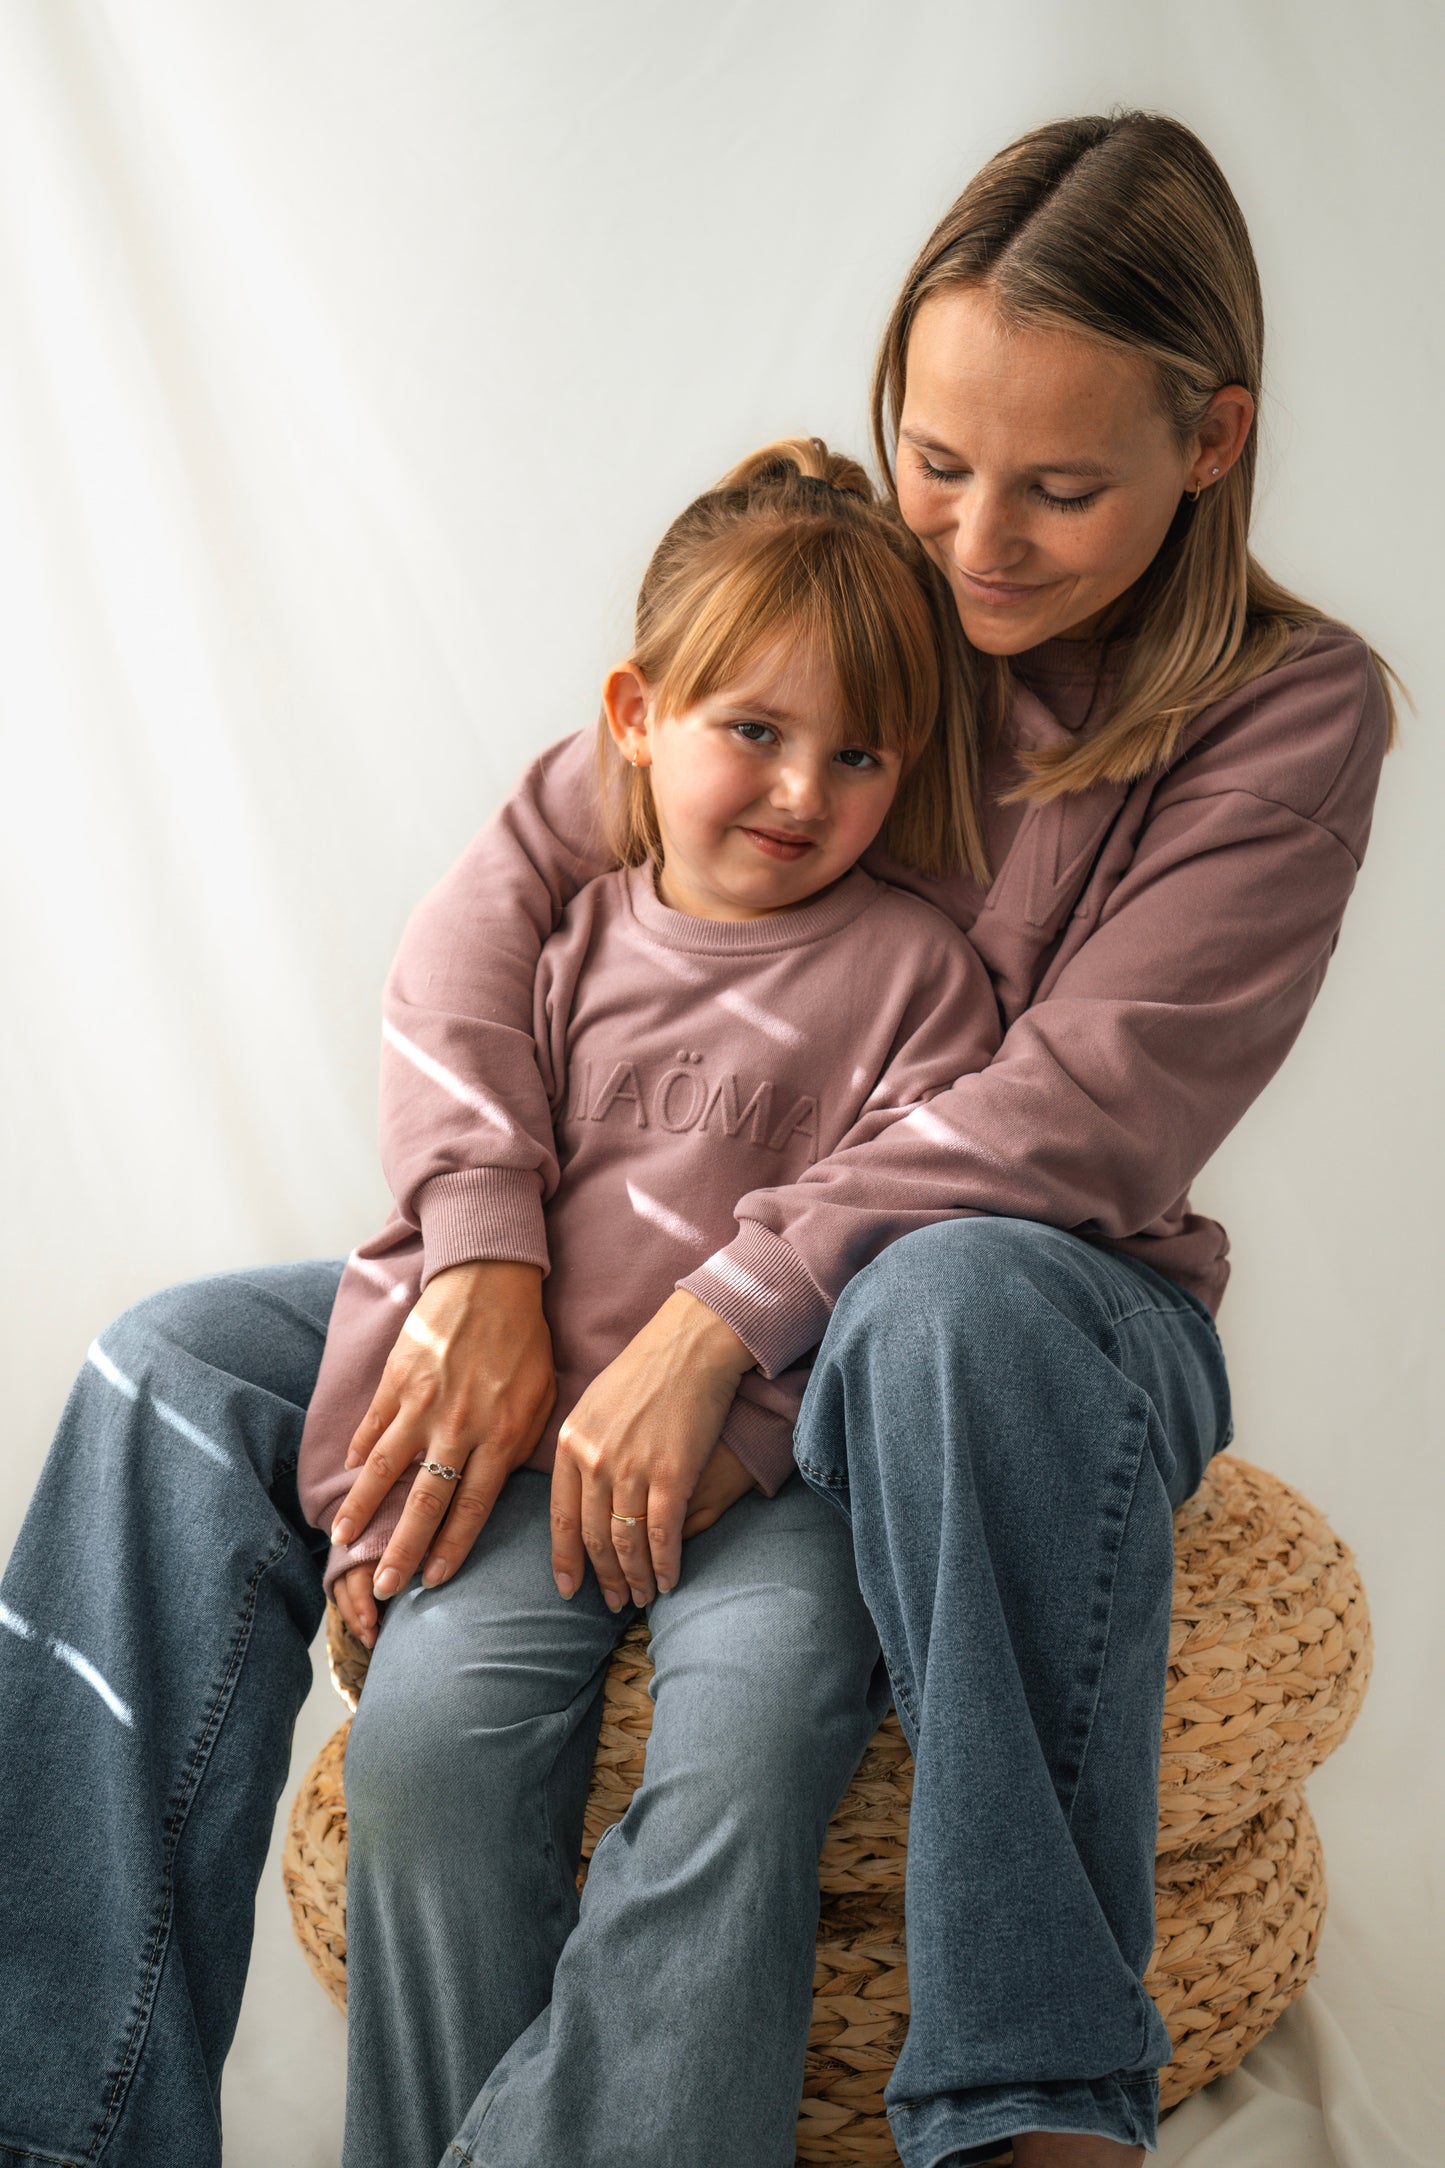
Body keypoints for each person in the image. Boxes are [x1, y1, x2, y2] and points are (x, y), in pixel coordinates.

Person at [0, 110, 1393, 2168]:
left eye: (1060, 487)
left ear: (1211, 444)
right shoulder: (852, 616)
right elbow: (504, 892)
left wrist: (714, 1323)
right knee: (172, 1370)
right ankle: (64, 2120)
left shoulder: (1289, 709)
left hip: (1026, 1322)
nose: (975, 537)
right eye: (937, 457)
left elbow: (1088, 1111)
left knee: (945, 1296)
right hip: (623, 1255)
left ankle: (1026, 2097)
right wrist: (480, 1249)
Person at [301, 434, 1002, 2166]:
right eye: (750, 732)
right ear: (635, 716)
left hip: (780, 1493)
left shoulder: (918, 977)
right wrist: (363, 1522)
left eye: (855, 755)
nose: (796, 792)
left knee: (754, 1748)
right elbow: (432, 1251)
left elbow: (915, 1252)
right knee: (422, 1762)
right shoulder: (562, 951)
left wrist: (750, 1427)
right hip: (536, 1482)